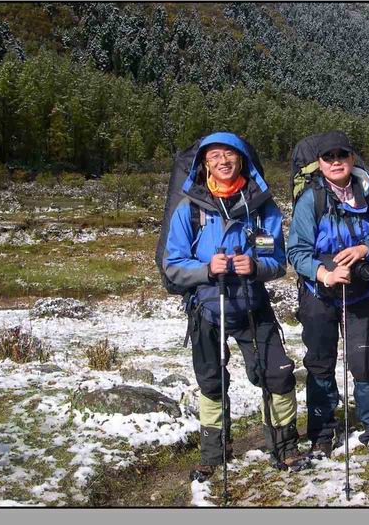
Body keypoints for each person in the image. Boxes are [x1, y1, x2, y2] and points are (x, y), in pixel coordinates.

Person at [161, 132, 308, 481]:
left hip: (253, 305)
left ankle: (285, 446)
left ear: (242, 160)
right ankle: (213, 454)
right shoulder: (189, 208)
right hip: (206, 309)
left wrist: (255, 266)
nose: (222, 161)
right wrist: (205, 269)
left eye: (229, 154)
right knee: (211, 381)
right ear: (203, 164)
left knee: (278, 374)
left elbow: (277, 262)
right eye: (214, 156)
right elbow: (172, 265)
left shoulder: (262, 207)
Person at [287, 131, 369, 471]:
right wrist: (324, 274)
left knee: (364, 363)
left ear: (352, 158)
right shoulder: (310, 200)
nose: (336, 162)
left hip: (361, 295)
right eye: (328, 157)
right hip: (319, 294)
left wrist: (365, 249)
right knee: (320, 362)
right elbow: (297, 251)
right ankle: (322, 431)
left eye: (342, 155)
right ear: (319, 163)